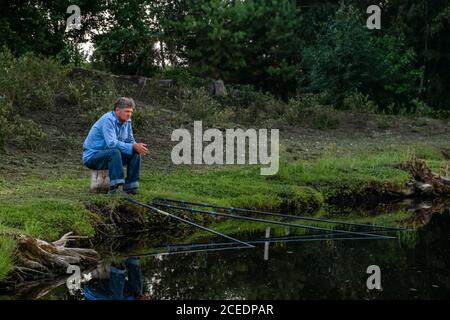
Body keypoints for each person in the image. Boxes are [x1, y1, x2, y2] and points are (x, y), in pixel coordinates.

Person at [82, 97, 148, 195]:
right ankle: (115, 188)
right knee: (114, 151)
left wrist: (137, 147)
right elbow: (111, 143)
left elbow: (130, 140)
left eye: (131, 112)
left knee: (135, 152)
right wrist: (133, 146)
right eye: (126, 111)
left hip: (111, 156)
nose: (129, 114)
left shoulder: (127, 121)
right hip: (93, 157)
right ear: (117, 110)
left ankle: (131, 187)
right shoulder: (108, 119)